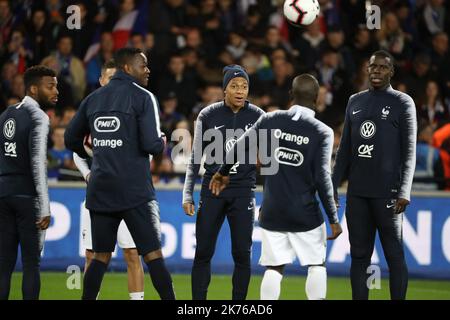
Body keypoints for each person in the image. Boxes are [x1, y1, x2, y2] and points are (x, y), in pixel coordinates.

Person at [210, 74, 342, 300]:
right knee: (316, 264)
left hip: (272, 211)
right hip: (305, 212)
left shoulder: (270, 119)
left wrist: (222, 172)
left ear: (291, 95)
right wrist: (333, 218)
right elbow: (322, 177)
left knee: (274, 268)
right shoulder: (322, 131)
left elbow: (240, 146)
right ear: (317, 98)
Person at [64, 47, 175, 300]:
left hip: (101, 190)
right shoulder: (144, 97)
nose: (147, 69)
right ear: (128, 68)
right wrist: (161, 142)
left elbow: (71, 139)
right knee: (153, 256)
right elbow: (151, 145)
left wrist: (102, 151)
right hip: (134, 190)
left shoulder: (93, 99)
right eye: (143, 65)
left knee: (99, 258)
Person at [332, 50, 417, 300]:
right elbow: (344, 150)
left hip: (388, 193)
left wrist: (404, 191)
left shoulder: (403, 102)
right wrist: (333, 187)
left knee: (394, 255)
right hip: (357, 194)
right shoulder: (354, 101)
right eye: (372, 67)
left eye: (382, 67)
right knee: (359, 255)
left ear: (392, 71)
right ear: (366, 70)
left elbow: (409, 151)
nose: (376, 71)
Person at [182, 65, 265, 300]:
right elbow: (195, 159)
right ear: (224, 89)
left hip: (243, 192)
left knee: (242, 254)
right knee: (203, 252)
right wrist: (187, 195)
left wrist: (268, 199)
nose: (240, 91)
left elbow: (269, 163)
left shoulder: (259, 116)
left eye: (245, 86)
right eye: (235, 86)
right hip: (212, 190)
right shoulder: (208, 115)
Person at [73, 60, 145, 300]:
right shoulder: (91, 107)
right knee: (92, 255)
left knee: (132, 253)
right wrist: (88, 174)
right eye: (110, 78)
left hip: (128, 195)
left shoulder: (134, 107)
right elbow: (76, 149)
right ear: (102, 80)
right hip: (97, 195)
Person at [0, 66, 58, 299]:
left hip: (3, 194)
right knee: (31, 264)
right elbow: (37, 164)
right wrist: (44, 207)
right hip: (26, 196)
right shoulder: (39, 117)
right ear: (34, 89)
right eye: (50, 86)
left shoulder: (6, 114)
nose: (56, 90)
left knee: (4, 264)